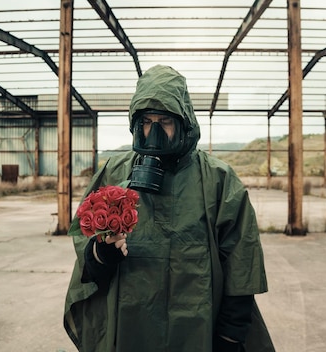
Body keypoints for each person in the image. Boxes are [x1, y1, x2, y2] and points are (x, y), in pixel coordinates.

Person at [64, 65, 275, 352]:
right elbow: (85, 243)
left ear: (183, 121)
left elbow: (241, 260)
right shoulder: (115, 171)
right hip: (128, 325)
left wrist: (230, 335)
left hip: (198, 327)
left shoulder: (218, 179)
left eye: (164, 121)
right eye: (147, 121)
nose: (154, 131)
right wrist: (101, 253)